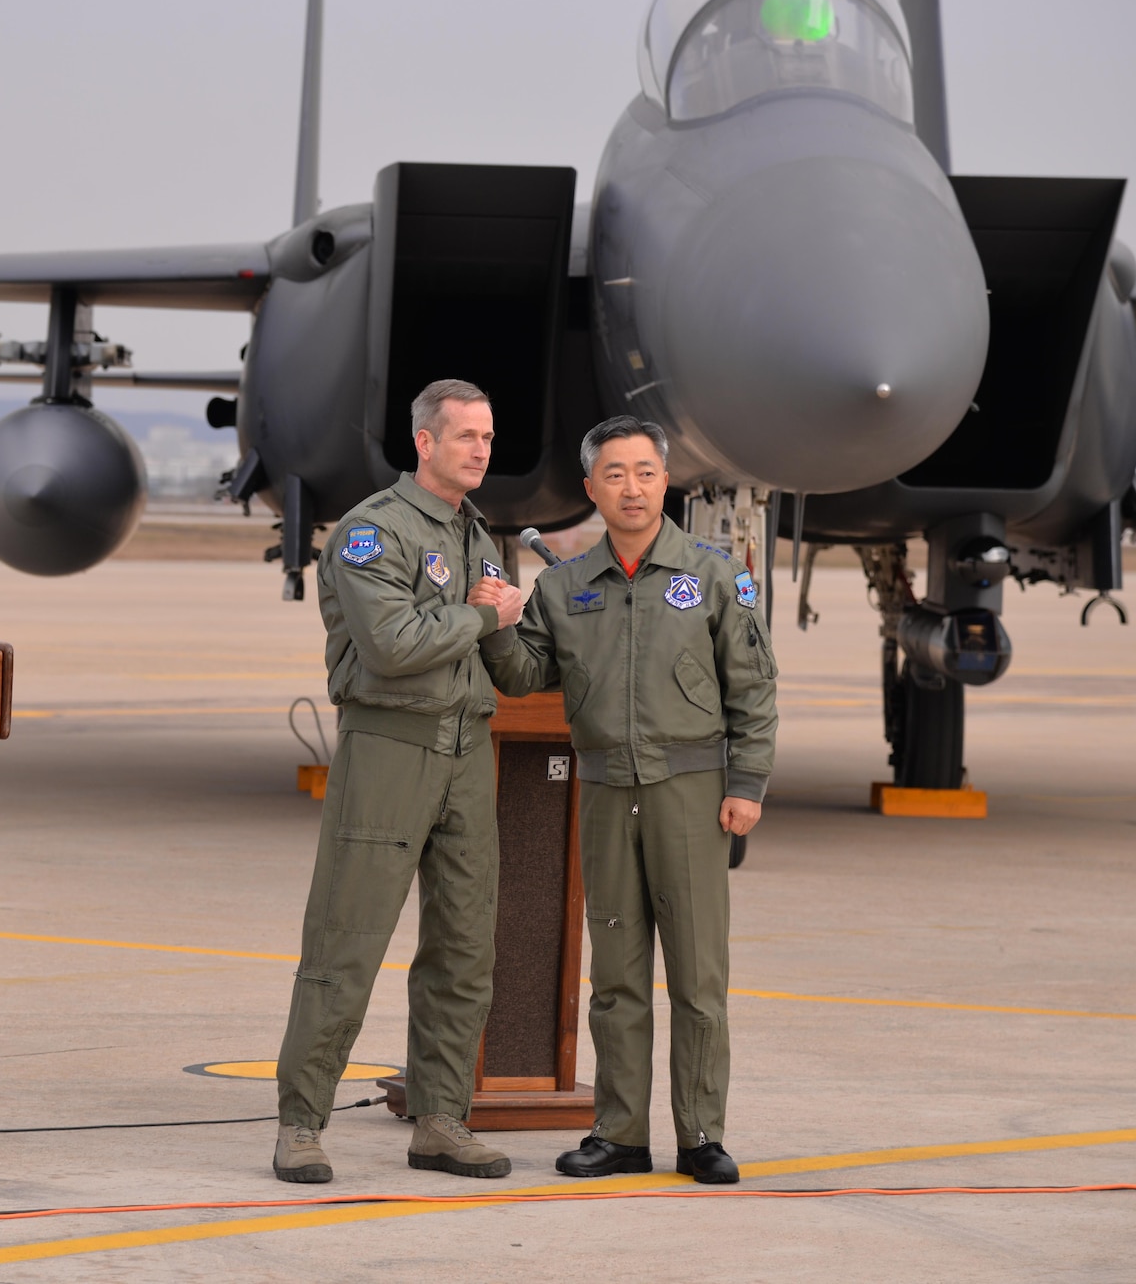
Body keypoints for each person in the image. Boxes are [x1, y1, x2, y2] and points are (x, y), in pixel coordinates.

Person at [473, 415, 777, 1184]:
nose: (631, 487)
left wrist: (746, 785)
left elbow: (754, 688)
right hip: (606, 792)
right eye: (614, 474)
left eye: (644, 472)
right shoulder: (565, 585)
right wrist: (501, 621)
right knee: (615, 976)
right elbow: (524, 674)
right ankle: (620, 1133)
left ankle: (702, 1133)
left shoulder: (713, 575)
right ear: (591, 489)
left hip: (692, 793)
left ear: (663, 481)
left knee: (700, 975)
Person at [272, 378, 526, 1184]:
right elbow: (392, 644)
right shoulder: (370, 533)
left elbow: (508, 667)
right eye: (466, 436)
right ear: (425, 442)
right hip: (390, 746)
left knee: (464, 945)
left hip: (467, 750)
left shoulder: (483, 539)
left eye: (488, 437)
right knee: (346, 941)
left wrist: (556, 613)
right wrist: (489, 614)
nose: (481, 449)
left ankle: (441, 1119)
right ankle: (301, 1125)